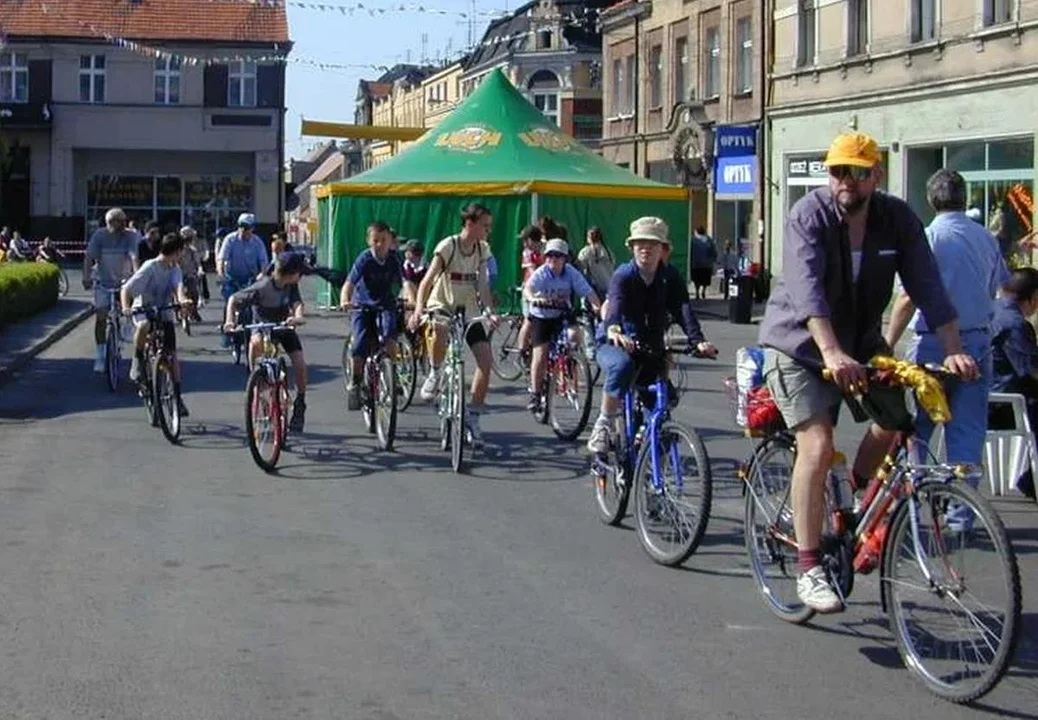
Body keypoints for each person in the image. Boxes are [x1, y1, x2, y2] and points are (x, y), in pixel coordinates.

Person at [758, 131, 976, 614]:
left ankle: (850, 502)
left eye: (856, 172)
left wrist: (955, 350)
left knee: (896, 422)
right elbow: (807, 292)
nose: (846, 181)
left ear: (877, 174)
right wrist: (831, 353)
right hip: (800, 346)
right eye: (837, 171)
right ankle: (809, 568)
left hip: (860, 344)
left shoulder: (897, 219)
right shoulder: (808, 216)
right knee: (817, 443)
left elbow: (927, 285)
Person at [886, 169, 1009, 497]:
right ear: (964, 199)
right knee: (967, 434)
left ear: (930, 200)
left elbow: (908, 297)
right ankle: (962, 510)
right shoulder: (986, 238)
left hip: (932, 343)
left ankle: (914, 503)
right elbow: (997, 287)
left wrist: (888, 343)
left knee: (918, 430)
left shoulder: (928, 238)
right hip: (977, 343)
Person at [587, 217, 718, 454]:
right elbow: (615, 303)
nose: (645, 249)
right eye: (639, 244)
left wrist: (698, 341)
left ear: (662, 248)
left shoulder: (670, 277)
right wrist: (614, 328)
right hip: (615, 342)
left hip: (649, 347)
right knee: (621, 365)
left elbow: (683, 309)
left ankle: (649, 460)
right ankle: (604, 423)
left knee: (664, 407)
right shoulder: (624, 275)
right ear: (632, 247)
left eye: (652, 244)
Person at [409, 203, 500, 445]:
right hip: (443, 304)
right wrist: (418, 309)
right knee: (439, 327)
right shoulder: (448, 246)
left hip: (468, 310)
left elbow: (483, 285)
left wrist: (489, 312)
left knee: (485, 361)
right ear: (470, 224)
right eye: (485, 226)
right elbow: (427, 281)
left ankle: (473, 417)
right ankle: (435, 372)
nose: (488, 230)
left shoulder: (483, 249)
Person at [224, 252, 309, 432]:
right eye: (299, 272)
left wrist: (298, 317)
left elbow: (297, 304)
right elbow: (233, 300)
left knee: (300, 362)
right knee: (255, 343)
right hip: (263, 326)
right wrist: (230, 321)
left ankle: (300, 402)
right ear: (290, 273)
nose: (301, 276)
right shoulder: (263, 287)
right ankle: (255, 382)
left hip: (284, 325)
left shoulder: (291, 286)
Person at [523, 238, 602, 411]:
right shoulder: (542, 272)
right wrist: (534, 298)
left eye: (557, 256)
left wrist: (597, 308)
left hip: (562, 314)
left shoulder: (571, 273)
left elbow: (588, 292)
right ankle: (535, 394)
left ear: (565, 259)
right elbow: (528, 289)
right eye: (549, 255)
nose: (553, 259)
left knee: (575, 336)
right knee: (540, 354)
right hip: (542, 316)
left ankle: (570, 360)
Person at [120, 233, 191, 417]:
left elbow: (178, 287)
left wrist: (183, 301)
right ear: (175, 251)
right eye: (181, 251)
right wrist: (126, 307)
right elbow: (126, 289)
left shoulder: (175, 268)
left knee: (172, 355)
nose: (182, 255)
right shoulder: (150, 266)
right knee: (144, 326)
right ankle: (137, 361)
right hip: (144, 308)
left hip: (163, 309)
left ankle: (177, 396)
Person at [339, 221, 403, 411]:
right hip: (362, 305)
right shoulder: (364, 259)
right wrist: (345, 299)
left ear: (390, 241)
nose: (380, 244)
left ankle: (392, 374)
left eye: (383, 240)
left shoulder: (394, 259)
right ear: (369, 241)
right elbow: (349, 283)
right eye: (376, 240)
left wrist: (414, 301)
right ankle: (356, 382)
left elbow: (406, 283)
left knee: (390, 336)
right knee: (360, 343)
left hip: (385, 304)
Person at [989, 268, 1038, 499]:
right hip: (1003, 407)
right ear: (1033, 297)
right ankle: (1030, 480)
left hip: (981, 398)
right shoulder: (1016, 324)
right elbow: (1032, 370)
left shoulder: (992, 310)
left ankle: (1029, 479)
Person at [83, 208, 141, 372]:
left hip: (124, 281)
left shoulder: (130, 236)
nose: (123, 225)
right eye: (119, 221)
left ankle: (127, 324)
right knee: (101, 317)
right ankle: (100, 355)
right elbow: (89, 257)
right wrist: (86, 277)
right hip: (103, 281)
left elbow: (134, 256)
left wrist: (137, 276)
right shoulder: (99, 236)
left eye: (124, 221)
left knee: (128, 307)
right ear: (110, 222)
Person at [217, 213, 269, 345]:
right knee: (230, 301)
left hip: (250, 278)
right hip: (232, 277)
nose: (243, 230)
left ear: (252, 228)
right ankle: (227, 330)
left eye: (247, 227)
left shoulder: (257, 242)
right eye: (241, 226)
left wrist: (261, 274)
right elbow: (221, 259)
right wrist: (221, 274)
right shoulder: (230, 239)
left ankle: (253, 332)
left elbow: (264, 263)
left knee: (253, 305)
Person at [575, 226, 615, 298]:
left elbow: (579, 269)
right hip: (611, 290)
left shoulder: (585, 252)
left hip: (594, 292)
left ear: (588, 238)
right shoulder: (608, 252)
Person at [178, 226, 205, 322]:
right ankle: (178, 310)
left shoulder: (192, 250)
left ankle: (193, 311)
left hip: (190, 274)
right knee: (177, 292)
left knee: (194, 292)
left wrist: (200, 270)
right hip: (178, 275)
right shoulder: (177, 250)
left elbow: (198, 263)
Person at [689, 226, 717, 300]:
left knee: (696, 279)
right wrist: (714, 259)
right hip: (707, 264)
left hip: (696, 263)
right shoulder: (709, 240)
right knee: (705, 279)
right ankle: (703, 291)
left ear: (697, 232)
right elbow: (713, 251)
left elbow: (690, 251)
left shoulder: (693, 240)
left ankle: (697, 292)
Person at [401, 239, 427, 305]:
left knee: (408, 284)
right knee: (407, 284)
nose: (405, 253)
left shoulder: (426, 266)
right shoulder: (406, 265)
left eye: (407, 251)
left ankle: (415, 304)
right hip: (409, 294)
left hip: (423, 293)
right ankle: (412, 303)